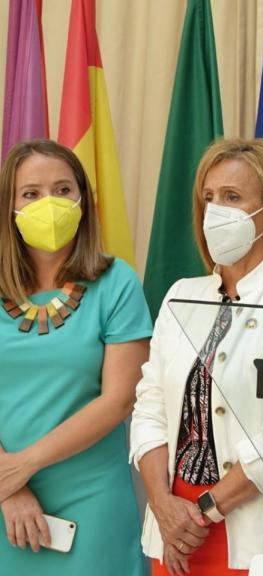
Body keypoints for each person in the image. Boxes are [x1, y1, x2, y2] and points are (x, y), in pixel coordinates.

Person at [130, 138, 263, 575]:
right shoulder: (181, 296)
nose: (215, 212)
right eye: (208, 198)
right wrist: (164, 506)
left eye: (232, 198)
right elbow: (149, 408)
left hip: (250, 528)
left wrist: (203, 511)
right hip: (173, 529)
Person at [0, 139, 151, 573]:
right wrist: (10, 487)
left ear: (82, 199)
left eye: (63, 190)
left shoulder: (116, 281)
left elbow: (119, 400)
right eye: (31, 193)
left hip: (91, 497)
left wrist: (22, 466)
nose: (49, 202)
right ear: (9, 206)